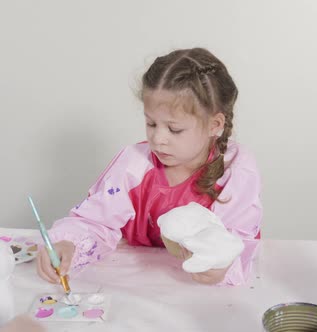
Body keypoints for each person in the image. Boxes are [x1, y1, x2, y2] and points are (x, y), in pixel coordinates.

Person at [36, 48, 262, 286]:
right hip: (136, 284)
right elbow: (95, 221)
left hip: (199, 292)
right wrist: (68, 244)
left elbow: (238, 241)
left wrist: (223, 267)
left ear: (214, 124)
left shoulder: (236, 170)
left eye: (174, 129)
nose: (158, 139)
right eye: (151, 123)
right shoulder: (133, 164)